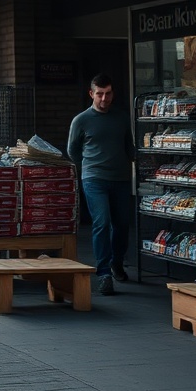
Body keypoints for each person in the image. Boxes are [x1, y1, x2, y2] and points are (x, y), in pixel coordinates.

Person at [67, 73, 135, 296]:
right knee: (102, 221)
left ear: (112, 93)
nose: (104, 99)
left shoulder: (122, 118)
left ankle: (117, 262)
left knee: (122, 224)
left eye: (108, 94)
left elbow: (129, 147)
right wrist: (89, 166)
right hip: (94, 178)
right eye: (99, 94)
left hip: (121, 178)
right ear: (91, 94)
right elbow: (72, 150)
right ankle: (104, 272)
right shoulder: (81, 120)